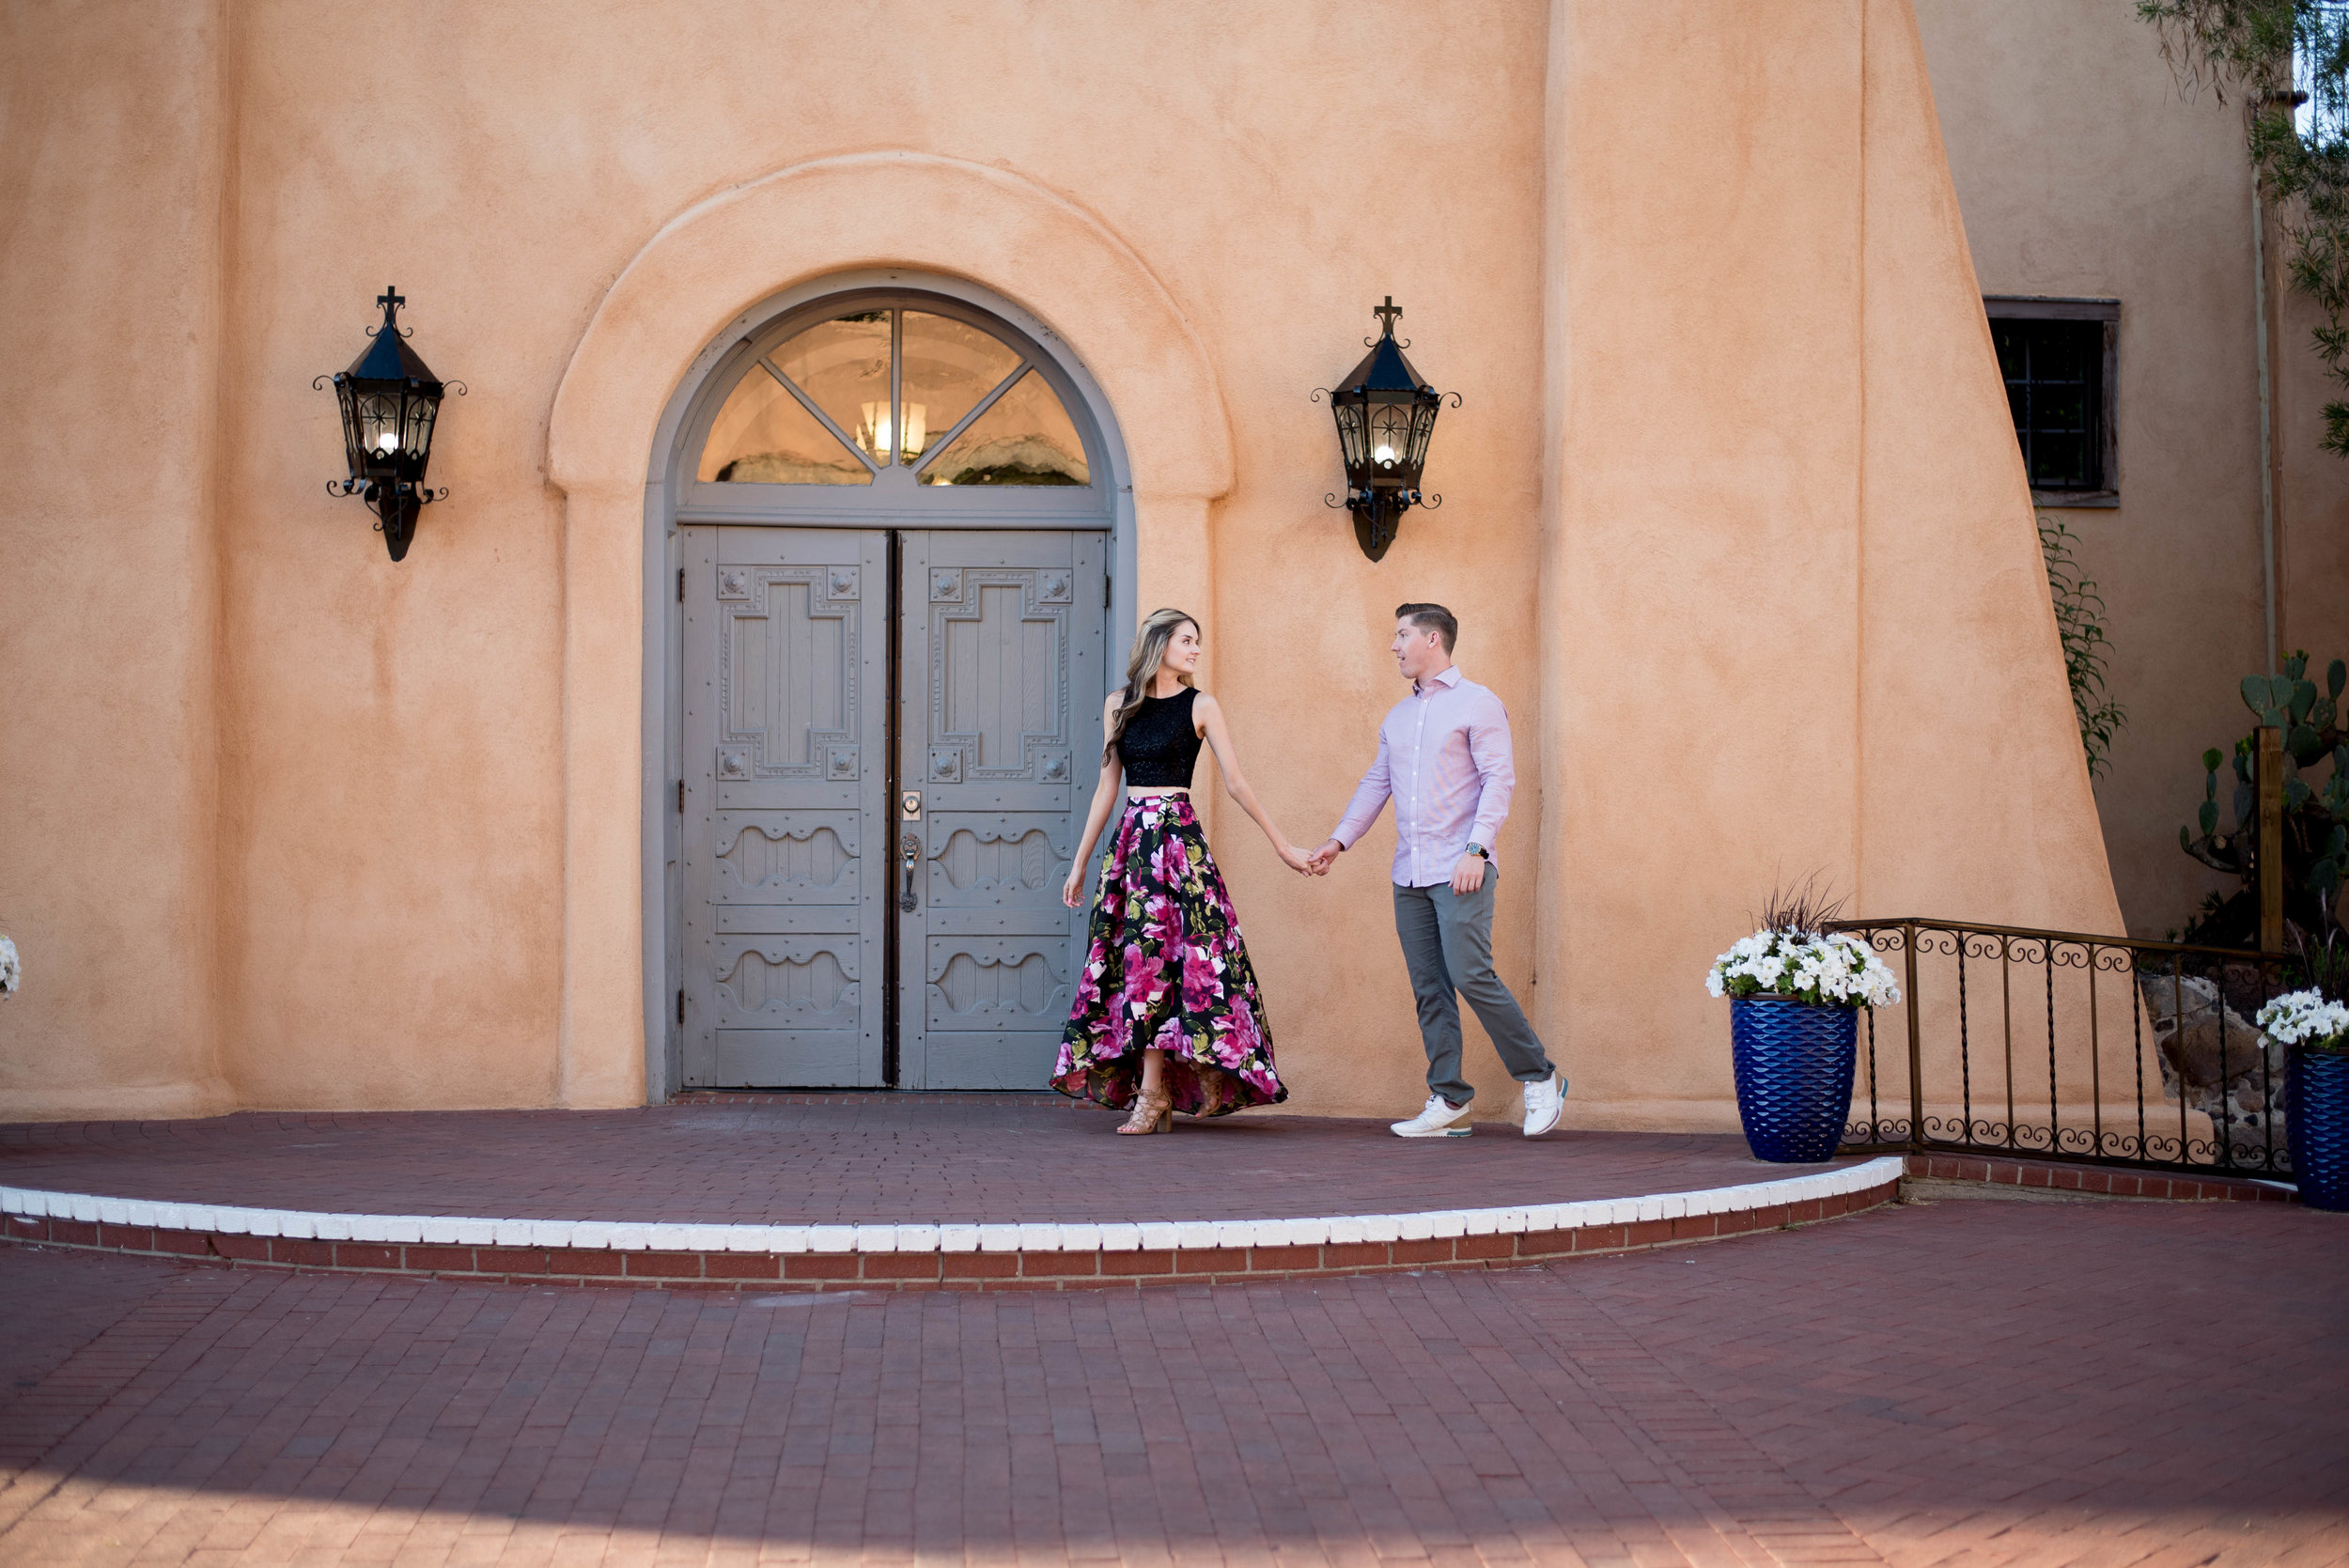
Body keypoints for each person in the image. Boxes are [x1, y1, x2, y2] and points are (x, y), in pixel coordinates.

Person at [1306, 603, 1566, 1138]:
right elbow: (1376, 785)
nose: (1394, 645)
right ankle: (1450, 1100)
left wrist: (1477, 848)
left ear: (1432, 638)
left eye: (1402, 635)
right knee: (1430, 987)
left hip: (1461, 866)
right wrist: (1339, 841)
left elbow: (1500, 780)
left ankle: (1540, 1077)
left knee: (1472, 974)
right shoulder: (1397, 718)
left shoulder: (1479, 703)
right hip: (1410, 874)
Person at [1052, 608, 1313, 1133]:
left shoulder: (1201, 705)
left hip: (1179, 845)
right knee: (1140, 965)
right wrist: (1080, 863)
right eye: (1187, 640)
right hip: (1131, 847)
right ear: (1158, 643)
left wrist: (1282, 844)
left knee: (1183, 962)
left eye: (1198, 642)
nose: (1195, 650)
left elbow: (1236, 782)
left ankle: (1155, 1096)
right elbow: (1107, 787)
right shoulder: (1119, 704)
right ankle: (1154, 1093)